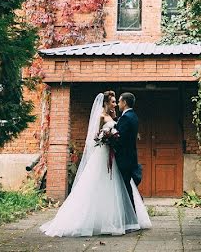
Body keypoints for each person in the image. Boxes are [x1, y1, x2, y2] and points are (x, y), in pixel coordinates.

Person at [40, 90, 151, 237]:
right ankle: (121, 220)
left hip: (116, 157)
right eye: (112, 101)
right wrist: (105, 138)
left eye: (117, 101)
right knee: (105, 185)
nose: (115, 104)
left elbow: (119, 135)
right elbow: (96, 136)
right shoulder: (102, 117)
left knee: (117, 188)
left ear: (124, 102)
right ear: (105, 103)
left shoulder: (120, 117)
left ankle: (122, 219)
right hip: (104, 154)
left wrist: (111, 137)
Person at [114, 92, 141, 205]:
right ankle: (130, 216)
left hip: (124, 159)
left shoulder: (126, 117)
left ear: (124, 102)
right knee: (126, 187)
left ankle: (129, 217)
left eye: (119, 101)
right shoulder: (133, 116)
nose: (118, 104)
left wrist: (109, 141)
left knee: (124, 189)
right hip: (130, 157)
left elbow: (121, 139)